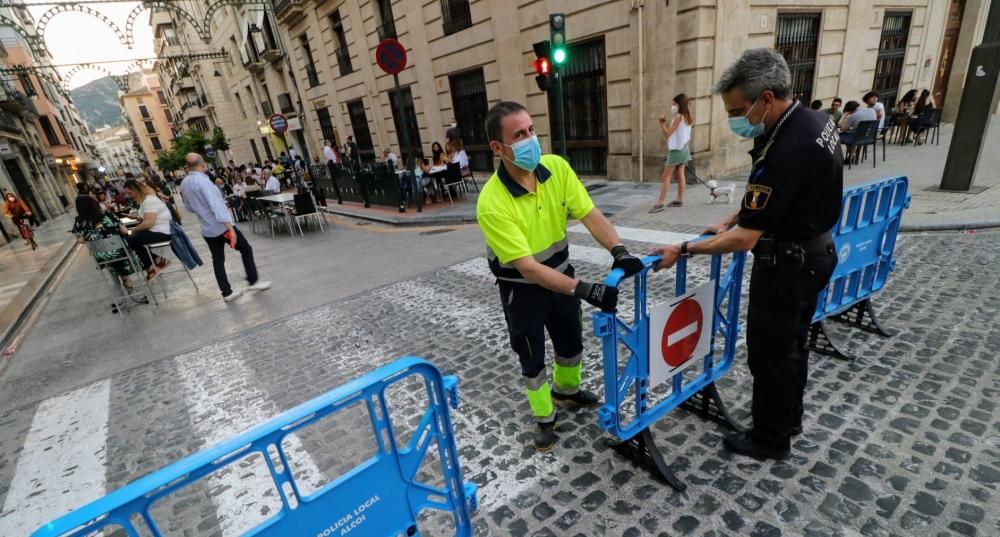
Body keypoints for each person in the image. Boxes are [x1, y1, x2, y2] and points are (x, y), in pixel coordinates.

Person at [652, 48, 841, 460]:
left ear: (766, 99)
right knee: (792, 346)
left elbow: (744, 239)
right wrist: (730, 216)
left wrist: (682, 248)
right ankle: (787, 419)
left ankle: (770, 439)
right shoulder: (816, 122)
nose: (738, 119)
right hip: (815, 253)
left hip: (788, 265)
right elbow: (776, 200)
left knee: (771, 353)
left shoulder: (784, 148)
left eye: (739, 109)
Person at [476, 101, 645, 451]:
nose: (529, 140)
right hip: (521, 289)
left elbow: (589, 213)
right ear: (497, 147)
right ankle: (544, 417)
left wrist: (619, 250)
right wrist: (585, 289)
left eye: (531, 130)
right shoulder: (492, 202)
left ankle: (566, 392)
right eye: (518, 135)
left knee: (571, 341)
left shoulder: (555, 168)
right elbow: (527, 267)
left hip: (560, 274)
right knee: (531, 354)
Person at [180, 153, 270, 301]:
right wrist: (230, 229)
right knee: (246, 249)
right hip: (221, 227)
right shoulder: (204, 182)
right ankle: (253, 280)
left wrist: (202, 211)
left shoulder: (185, 183)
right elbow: (217, 207)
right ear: (201, 163)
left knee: (218, 260)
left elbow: (189, 208)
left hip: (207, 229)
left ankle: (226, 292)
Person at [71, 193, 136, 291]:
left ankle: (120, 283)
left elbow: (80, 240)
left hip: (100, 255)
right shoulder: (107, 215)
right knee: (117, 251)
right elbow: (124, 231)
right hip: (120, 251)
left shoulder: (79, 222)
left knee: (107, 255)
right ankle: (125, 277)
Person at [651, 93, 694, 212]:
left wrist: (661, 123)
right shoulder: (688, 116)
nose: (672, 106)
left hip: (676, 151)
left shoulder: (678, 117)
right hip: (684, 149)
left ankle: (660, 204)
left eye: (674, 104)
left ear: (680, 105)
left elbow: (667, 134)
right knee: (680, 175)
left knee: (665, 177)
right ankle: (679, 200)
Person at [121, 179, 172, 280]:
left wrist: (134, 230)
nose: (130, 196)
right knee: (130, 240)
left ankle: (155, 263)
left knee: (130, 241)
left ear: (135, 190)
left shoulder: (149, 200)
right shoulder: (145, 201)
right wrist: (137, 218)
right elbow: (147, 218)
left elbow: (149, 222)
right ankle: (154, 264)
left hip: (161, 232)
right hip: (157, 230)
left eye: (130, 193)